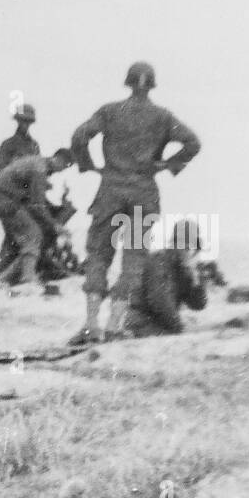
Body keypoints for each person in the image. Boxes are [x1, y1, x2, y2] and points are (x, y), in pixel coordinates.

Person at [69, 61, 201, 342]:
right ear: (151, 85)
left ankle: (92, 325)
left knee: (99, 255)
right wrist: (167, 165)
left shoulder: (109, 111)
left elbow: (80, 136)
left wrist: (89, 165)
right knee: (134, 260)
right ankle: (114, 326)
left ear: (128, 83)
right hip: (143, 192)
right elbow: (193, 143)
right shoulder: (163, 117)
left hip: (110, 190)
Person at [0, 148, 75, 287]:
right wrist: (55, 225)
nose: (62, 170)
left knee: (29, 238)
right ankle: (27, 277)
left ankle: (4, 278)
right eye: (65, 166)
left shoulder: (37, 164)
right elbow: (37, 204)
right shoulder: (39, 169)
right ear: (58, 159)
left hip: (7, 197)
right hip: (5, 199)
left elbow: (35, 200)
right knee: (33, 233)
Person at [124, 218, 209, 336]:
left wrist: (195, 280)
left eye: (192, 248)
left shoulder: (184, 269)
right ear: (175, 244)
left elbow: (198, 304)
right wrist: (179, 327)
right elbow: (159, 300)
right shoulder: (158, 262)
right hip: (142, 325)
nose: (189, 251)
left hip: (163, 326)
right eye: (186, 246)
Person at [0, 104, 40, 173]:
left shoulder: (34, 145)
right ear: (18, 121)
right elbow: (0, 168)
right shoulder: (8, 144)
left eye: (28, 121)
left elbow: (39, 168)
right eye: (23, 120)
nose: (25, 124)